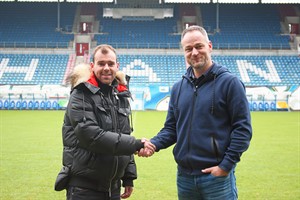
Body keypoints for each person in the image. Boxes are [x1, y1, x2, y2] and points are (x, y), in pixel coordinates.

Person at [139, 25, 252, 200]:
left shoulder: (230, 83)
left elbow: (243, 129)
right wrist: (153, 144)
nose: (194, 52)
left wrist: (226, 165)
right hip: (185, 178)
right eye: (188, 49)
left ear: (210, 46)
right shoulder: (178, 88)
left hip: (216, 178)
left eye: (199, 46)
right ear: (183, 52)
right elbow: (171, 128)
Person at [55, 44, 155, 200]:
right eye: (101, 64)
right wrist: (136, 144)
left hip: (113, 188)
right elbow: (92, 136)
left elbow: (124, 134)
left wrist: (128, 176)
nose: (106, 68)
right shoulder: (80, 94)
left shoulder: (120, 95)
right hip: (84, 188)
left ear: (117, 66)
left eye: (110, 63)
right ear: (92, 66)